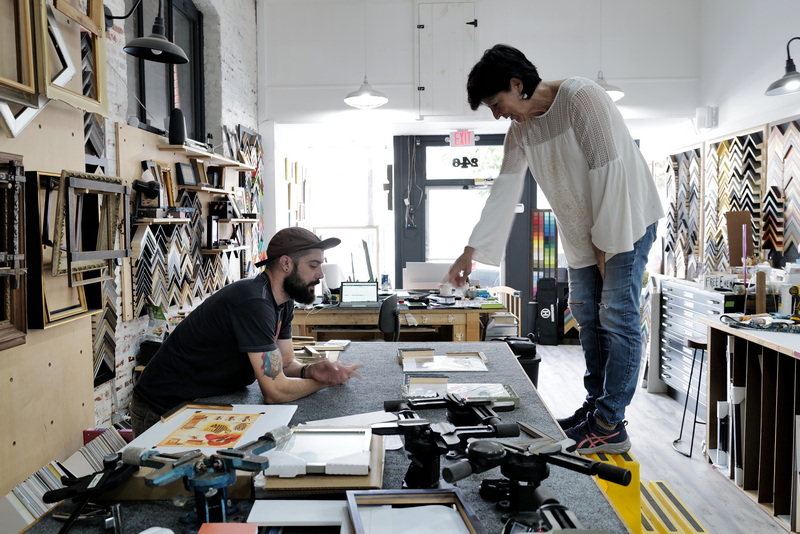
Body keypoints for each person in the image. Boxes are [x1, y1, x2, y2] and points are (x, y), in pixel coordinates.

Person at [448, 44, 664, 454]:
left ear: (517, 84)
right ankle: (595, 408)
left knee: (616, 314)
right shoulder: (523, 130)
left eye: (497, 103)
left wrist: (606, 250)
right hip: (584, 232)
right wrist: (468, 253)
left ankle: (610, 423)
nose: (498, 115)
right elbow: (504, 190)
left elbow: (608, 171)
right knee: (587, 315)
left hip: (626, 220)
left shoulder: (582, 98)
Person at [130, 227, 363, 436]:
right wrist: (324, 382)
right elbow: (275, 391)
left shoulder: (284, 301)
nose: (321, 274)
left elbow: (287, 364)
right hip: (163, 409)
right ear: (286, 264)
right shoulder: (254, 302)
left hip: (201, 401)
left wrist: (311, 370)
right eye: (313, 265)